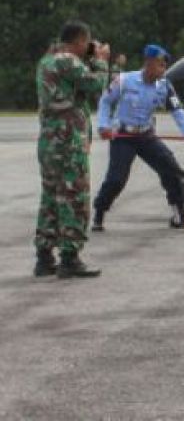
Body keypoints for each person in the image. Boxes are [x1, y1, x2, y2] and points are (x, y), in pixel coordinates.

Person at [94, 44, 184, 231]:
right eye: (160, 65)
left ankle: (179, 213)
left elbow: (178, 111)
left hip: (146, 136)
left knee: (171, 168)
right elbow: (105, 102)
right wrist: (103, 126)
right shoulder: (124, 80)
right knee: (116, 179)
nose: (163, 70)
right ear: (148, 63)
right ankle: (99, 213)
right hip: (122, 137)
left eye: (164, 66)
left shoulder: (164, 86)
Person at [34, 21, 112, 278]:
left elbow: (75, 84)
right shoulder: (68, 59)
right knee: (75, 196)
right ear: (79, 41)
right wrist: (100, 60)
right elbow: (96, 85)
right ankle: (70, 257)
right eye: (86, 43)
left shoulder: (47, 60)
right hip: (68, 140)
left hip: (49, 140)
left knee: (51, 197)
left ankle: (44, 257)